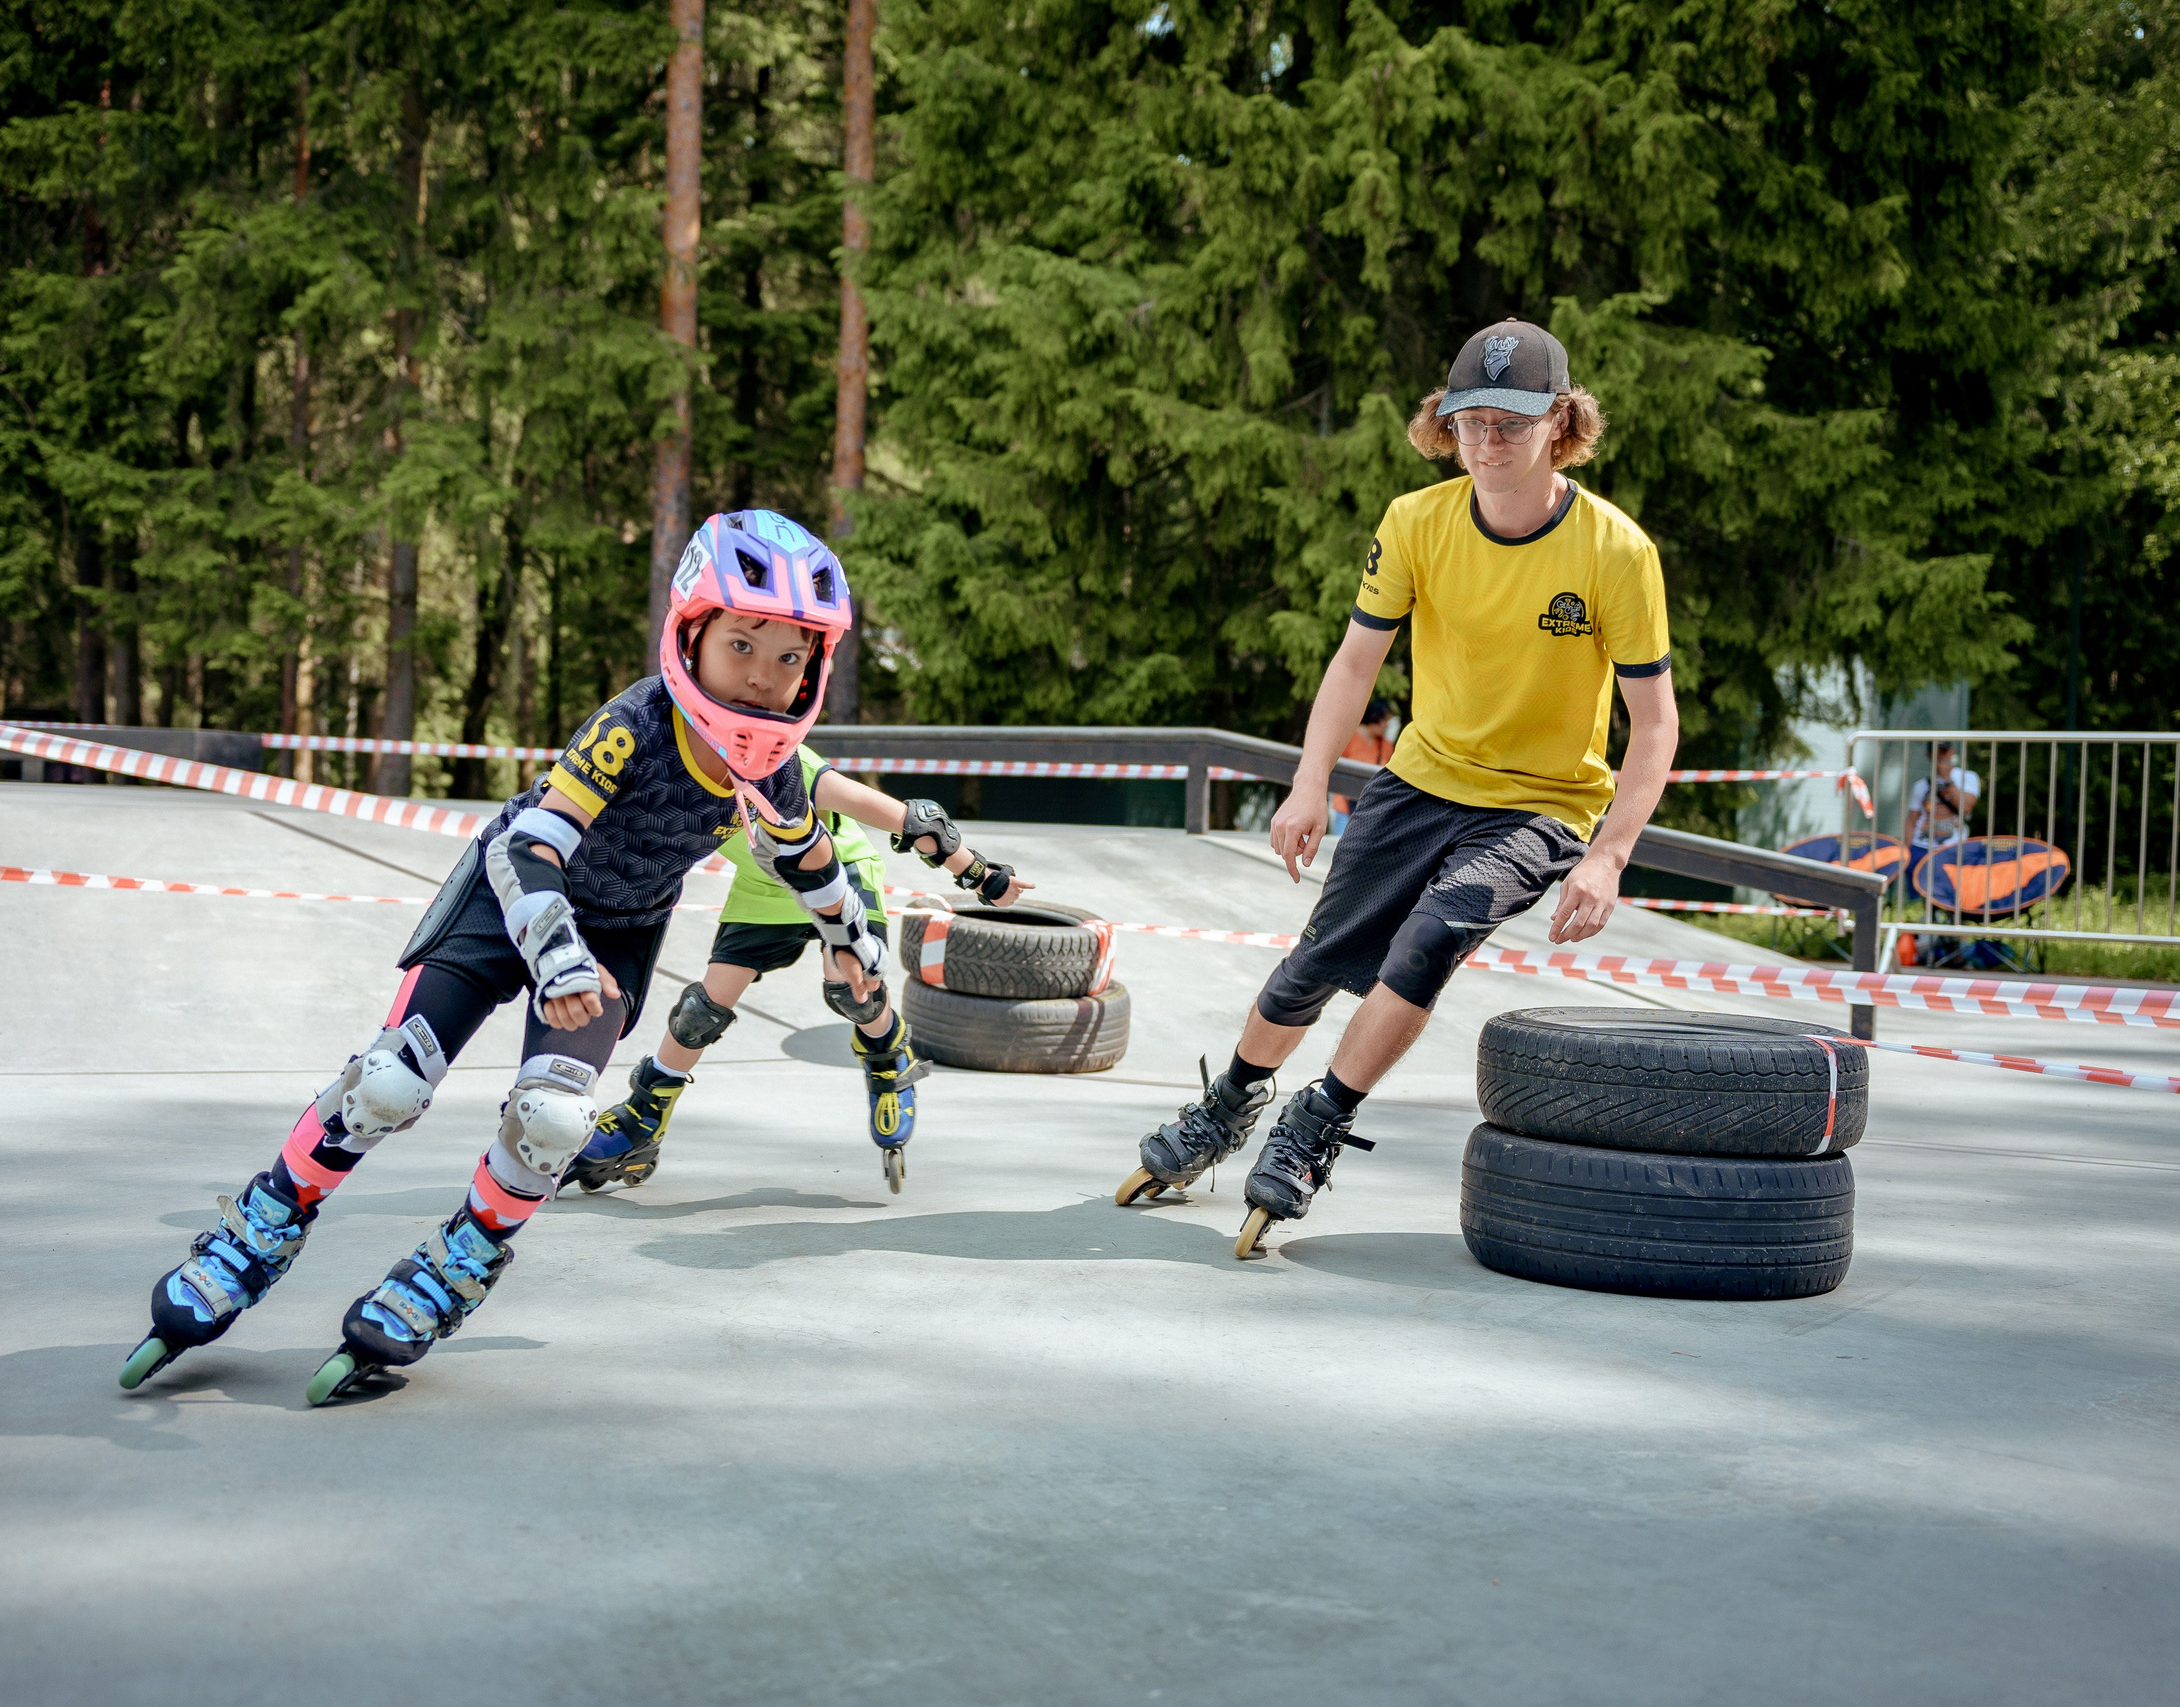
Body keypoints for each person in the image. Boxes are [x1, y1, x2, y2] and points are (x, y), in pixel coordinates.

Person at [116, 509, 891, 1406]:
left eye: (790, 657)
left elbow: (807, 857)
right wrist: (556, 951)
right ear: (691, 632)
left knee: (555, 1120)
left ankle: (458, 1260)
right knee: (389, 1082)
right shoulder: (636, 722)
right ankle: (262, 1225)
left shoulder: (774, 768)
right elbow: (530, 846)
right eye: (743, 645)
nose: (763, 678)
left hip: (618, 934)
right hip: (507, 899)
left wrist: (853, 938)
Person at [1114, 318, 1680, 1258]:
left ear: (1560, 424)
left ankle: (1317, 1120)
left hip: (1542, 803)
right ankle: (1226, 1108)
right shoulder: (1415, 523)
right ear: (1443, 425)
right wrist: (1305, 786)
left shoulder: (1616, 552)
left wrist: (1612, 855)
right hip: (1417, 779)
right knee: (1314, 965)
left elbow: (1653, 724)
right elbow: (1353, 664)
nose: (1488, 443)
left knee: (1427, 941)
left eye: (1511, 422)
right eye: (1470, 423)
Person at [561, 747, 1034, 1197]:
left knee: (851, 990)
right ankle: (644, 1118)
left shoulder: (778, 758)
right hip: (765, 888)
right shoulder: (666, 770)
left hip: (841, 874)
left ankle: (888, 1055)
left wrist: (978, 874)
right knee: (700, 1011)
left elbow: (915, 820)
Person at [1328, 703, 1398, 836]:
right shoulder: (1348, 739)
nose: (1386, 725)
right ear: (1374, 718)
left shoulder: (1386, 746)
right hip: (1345, 804)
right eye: (1384, 720)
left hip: (1371, 806)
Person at [1903, 742, 1980, 857]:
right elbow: (1911, 820)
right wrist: (1907, 851)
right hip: (1920, 847)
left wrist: (1947, 780)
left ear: (1951, 752)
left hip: (1953, 847)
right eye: (1936, 752)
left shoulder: (1968, 777)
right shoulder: (1921, 785)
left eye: (1944, 751)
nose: (1940, 756)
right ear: (1929, 755)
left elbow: (1966, 808)